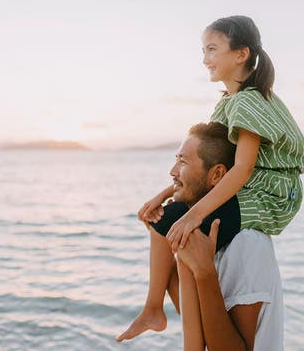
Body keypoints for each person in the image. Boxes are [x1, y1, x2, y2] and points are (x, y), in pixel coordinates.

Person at [140, 15, 304, 255]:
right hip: (245, 188)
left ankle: (190, 292)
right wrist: (168, 194)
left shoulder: (249, 102)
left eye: (212, 50)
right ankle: (156, 296)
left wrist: (194, 215)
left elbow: (242, 168)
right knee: (163, 219)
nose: (205, 60)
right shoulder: (228, 104)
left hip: (270, 197)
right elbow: (210, 161)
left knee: (186, 231)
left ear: (241, 54)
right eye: (203, 51)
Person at [117, 123, 284, 350]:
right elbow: (191, 314)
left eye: (183, 161)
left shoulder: (247, 244)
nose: (173, 171)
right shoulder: (202, 236)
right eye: (176, 159)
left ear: (217, 174)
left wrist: (205, 272)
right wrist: (164, 239)